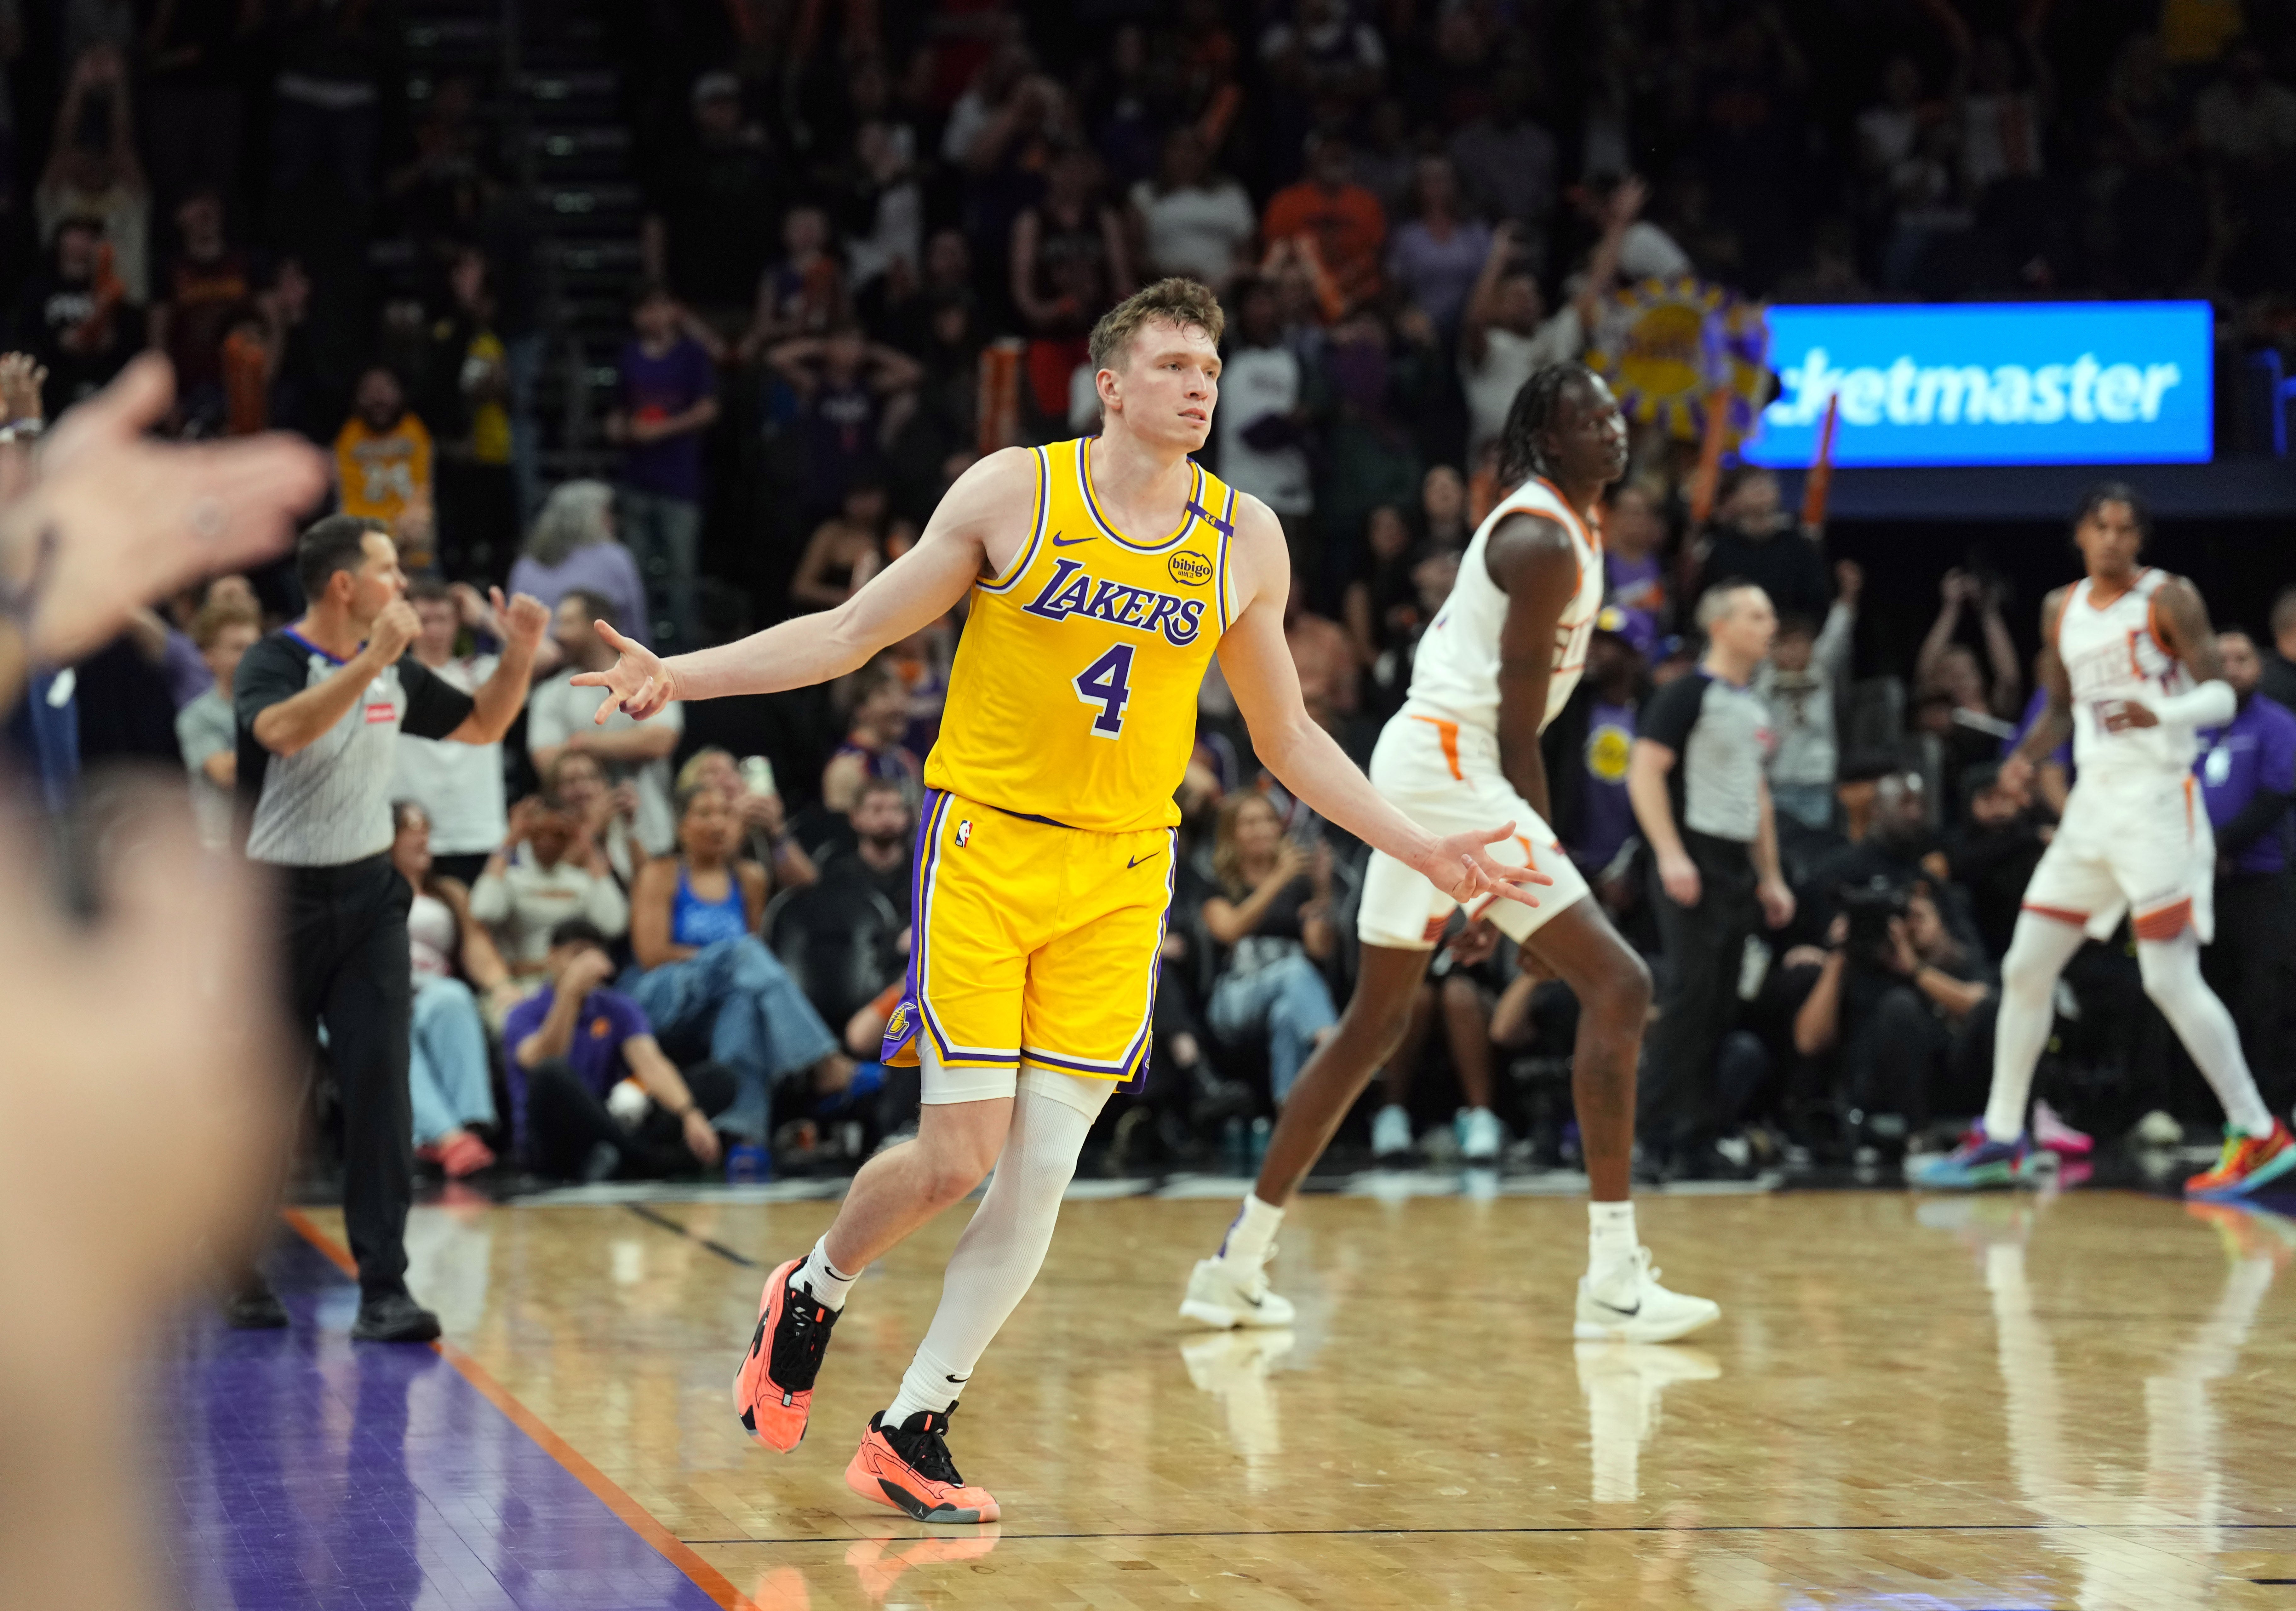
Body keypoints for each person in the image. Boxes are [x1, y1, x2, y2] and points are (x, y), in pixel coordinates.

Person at [570, 278, 1540, 1522]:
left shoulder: (1244, 539)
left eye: (1212, 364)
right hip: (983, 845)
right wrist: (681, 678)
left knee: (1038, 1177)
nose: (1202, 384)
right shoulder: (1013, 494)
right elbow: (854, 632)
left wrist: (1430, 849)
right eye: (1178, 364)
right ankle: (812, 1286)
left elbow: (1287, 738)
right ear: (1113, 384)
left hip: (1124, 868)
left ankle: (914, 1422)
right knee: (955, 1158)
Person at [1181, 360, 1713, 1340]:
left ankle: (1235, 1265)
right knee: (1619, 984)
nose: (1612, 430)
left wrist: (1497, 895)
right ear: (1546, 441)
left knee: (1371, 1026)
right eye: (1586, 420)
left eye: (1612, 414)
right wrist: (1521, 871)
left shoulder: (1575, 527)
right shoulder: (1536, 538)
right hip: (1449, 764)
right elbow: (1519, 737)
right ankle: (1610, 1278)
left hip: (1429, 762)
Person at [1913, 484, 2295, 1195]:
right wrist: (2024, 758)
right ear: (2079, 536)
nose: (2113, 540)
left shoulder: (2166, 599)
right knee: (2026, 966)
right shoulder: (2059, 608)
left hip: (2155, 804)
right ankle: (2003, 1134)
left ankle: (2258, 1131)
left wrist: (2157, 710)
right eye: (2101, 527)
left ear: (2139, 539)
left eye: (2126, 529)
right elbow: (2060, 705)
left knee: (2166, 977)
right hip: (2091, 808)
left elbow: (2216, 694)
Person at [233, 515, 547, 1339]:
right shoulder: (275, 661)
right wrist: (371, 661)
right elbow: (282, 733)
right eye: (388, 571)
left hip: (370, 897)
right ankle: (234, 1264)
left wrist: (517, 650)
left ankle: (384, 1287)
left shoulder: (396, 674)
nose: (403, 585)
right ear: (346, 586)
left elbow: (483, 724)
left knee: (382, 1089)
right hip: (278, 905)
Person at [1628, 580, 1798, 1177]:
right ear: (1721, 626)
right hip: (1690, 860)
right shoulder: (1683, 694)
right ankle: (1646, 1136)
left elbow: (1755, 798)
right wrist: (1671, 854)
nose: (1769, 624)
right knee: (1687, 1000)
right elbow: (1643, 772)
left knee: (1722, 1004)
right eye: (1756, 614)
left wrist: (1770, 876)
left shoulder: (1752, 706)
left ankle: (1697, 1137)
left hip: (1732, 869)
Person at [624, 782, 852, 1141]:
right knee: (742, 954)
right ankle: (823, 1060)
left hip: (718, 1002)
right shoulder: (661, 872)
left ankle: (739, 1133)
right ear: (682, 826)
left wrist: (730, 966)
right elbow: (651, 954)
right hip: (661, 993)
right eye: (704, 814)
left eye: (726, 814)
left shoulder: (750, 877)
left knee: (744, 1004)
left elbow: (754, 966)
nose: (717, 824)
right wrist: (722, 961)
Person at [505, 917, 734, 1181]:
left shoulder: (617, 1007)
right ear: (552, 958)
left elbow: (650, 1064)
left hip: (607, 1124)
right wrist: (569, 993)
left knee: (718, 1078)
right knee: (551, 1073)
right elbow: (544, 1059)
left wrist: (689, 1113)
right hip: (553, 1138)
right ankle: (643, 1158)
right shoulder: (524, 1013)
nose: (585, 967)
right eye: (576, 956)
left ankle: (623, 1155)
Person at [1795, 881, 1997, 1151]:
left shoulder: (1955, 959)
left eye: (1917, 917)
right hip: (1880, 1087)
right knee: (1899, 1007)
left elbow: (1982, 1006)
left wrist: (1915, 970)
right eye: (1898, 919)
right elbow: (1808, 1042)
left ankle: (2015, 1130)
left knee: (1996, 1009)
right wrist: (1838, 956)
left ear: (1942, 922)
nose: (1906, 928)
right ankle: (1918, 1135)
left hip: (1951, 1080)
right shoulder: (1856, 966)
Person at [2194, 629, 2296, 1109]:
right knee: (2204, 997)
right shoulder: (2189, 727)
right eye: (2222, 658)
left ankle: (2272, 1112)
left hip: (2259, 878)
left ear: (2260, 666)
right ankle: (2206, 1112)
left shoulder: (2277, 723)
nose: (2232, 667)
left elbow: (2277, 795)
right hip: (2196, 883)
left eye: (2243, 658)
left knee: (2267, 999)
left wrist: (2219, 844)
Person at [389, 800, 510, 1178]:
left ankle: (469, 1127)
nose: (423, 835)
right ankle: (448, 1138)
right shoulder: (366, 889)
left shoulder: (448, 893)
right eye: (411, 827)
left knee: (454, 998)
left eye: (426, 827)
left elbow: (476, 947)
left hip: (431, 987)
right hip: (382, 989)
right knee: (385, 1023)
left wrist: (503, 986)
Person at [1201, 794, 1339, 1107]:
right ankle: (1336, 1052)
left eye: (1268, 820)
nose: (1262, 829)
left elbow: (1320, 947)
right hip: (1235, 997)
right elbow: (1229, 929)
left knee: (1287, 1014)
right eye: (1250, 823)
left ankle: (1289, 1113)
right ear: (1231, 834)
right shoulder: (1218, 884)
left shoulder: (1298, 884)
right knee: (1294, 969)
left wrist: (1322, 889)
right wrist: (1278, 878)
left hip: (1291, 992)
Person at [528, 591, 682, 855]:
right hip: (578, 841)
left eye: (568, 623)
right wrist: (621, 746)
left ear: (598, 627)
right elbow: (547, 761)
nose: (558, 634)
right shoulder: (552, 692)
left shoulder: (649, 677)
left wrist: (583, 743)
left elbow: (660, 740)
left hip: (650, 831)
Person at [609, 284, 719, 649]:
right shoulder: (629, 355)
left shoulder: (691, 355)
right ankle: (634, 645)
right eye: (645, 309)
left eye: (660, 308)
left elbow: (708, 410)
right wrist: (625, 429)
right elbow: (618, 412)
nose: (652, 317)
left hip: (679, 482)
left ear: (674, 311)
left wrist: (661, 430)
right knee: (633, 571)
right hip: (637, 479)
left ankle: (684, 653)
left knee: (680, 573)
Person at [390, 576, 506, 884]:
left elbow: (543, 655)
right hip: (412, 836)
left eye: (443, 619)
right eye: (424, 620)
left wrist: (482, 614)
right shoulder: (389, 677)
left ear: (458, 622)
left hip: (477, 829)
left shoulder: (481, 672)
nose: (434, 630)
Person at [469, 790, 631, 981]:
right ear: (527, 835)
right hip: (522, 983)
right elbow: (484, 911)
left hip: (576, 981)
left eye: (558, 835)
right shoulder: (512, 879)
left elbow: (614, 924)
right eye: (539, 833)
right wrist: (511, 838)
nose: (548, 841)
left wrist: (587, 844)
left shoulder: (582, 881)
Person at [1758, 562, 1860, 832]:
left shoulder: (1820, 672)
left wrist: (1848, 595)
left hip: (1816, 780)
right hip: (1776, 780)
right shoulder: (1762, 680)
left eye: (1801, 643)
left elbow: (1837, 634)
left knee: (1815, 846)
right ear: (1773, 650)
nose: (1794, 651)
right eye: (1787, 644)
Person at [505, 479, 648, 640]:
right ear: (591, 517)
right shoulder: (615, 558)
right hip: (606, 662)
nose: (612, 520)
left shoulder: (525, 566)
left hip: (535, 659)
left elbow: (511, 630)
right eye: (607, 512)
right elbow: (635, 625)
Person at [175, 593, 260, 847]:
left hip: (271, 846)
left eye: (257, 647)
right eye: (239, 648)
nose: (253, 657)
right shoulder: (197, 716)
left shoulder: (277, 705)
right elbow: (225, 773)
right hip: (224, 848)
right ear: (209, 657)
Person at [333, 368, 433, 563]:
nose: (378, 397)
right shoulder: (347, 436)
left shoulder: (416, 430)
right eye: (369, 390)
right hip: (363, 551)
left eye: (386, 389)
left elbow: (423, 492)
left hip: (415, 551)